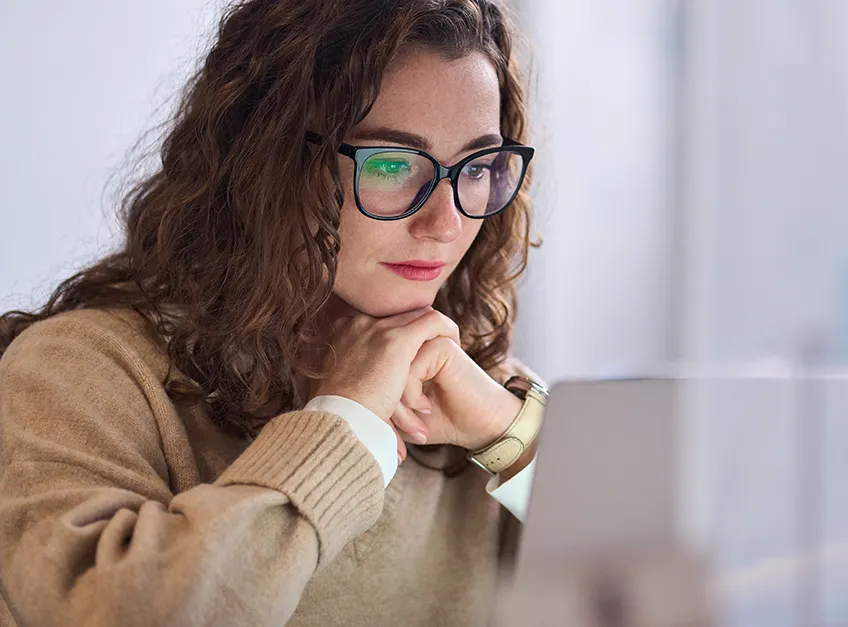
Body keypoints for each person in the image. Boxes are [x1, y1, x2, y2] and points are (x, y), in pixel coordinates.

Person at [0, 1, 545, 625]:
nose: (446, 223)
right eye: (392, 163)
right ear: (268, 162)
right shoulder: (79, 374)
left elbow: (648, 580)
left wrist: (514, 437)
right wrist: (347, 425)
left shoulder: (473, 385)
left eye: (477, 168)